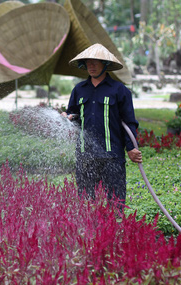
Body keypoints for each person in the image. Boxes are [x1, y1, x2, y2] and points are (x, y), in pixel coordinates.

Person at [61, 43, 142, 207]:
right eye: (88, 62)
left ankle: (115, 230)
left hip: (111, 155)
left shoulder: (119, 90)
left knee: (116, 202)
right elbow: (74, 116)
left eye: (95, 62)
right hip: (85, 155)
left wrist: (131, 147)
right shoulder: (79, 90)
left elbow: (129, 122)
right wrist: (67, 117)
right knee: (85, 203)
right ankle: (88, 232)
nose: (91, 65)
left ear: (105, 64)